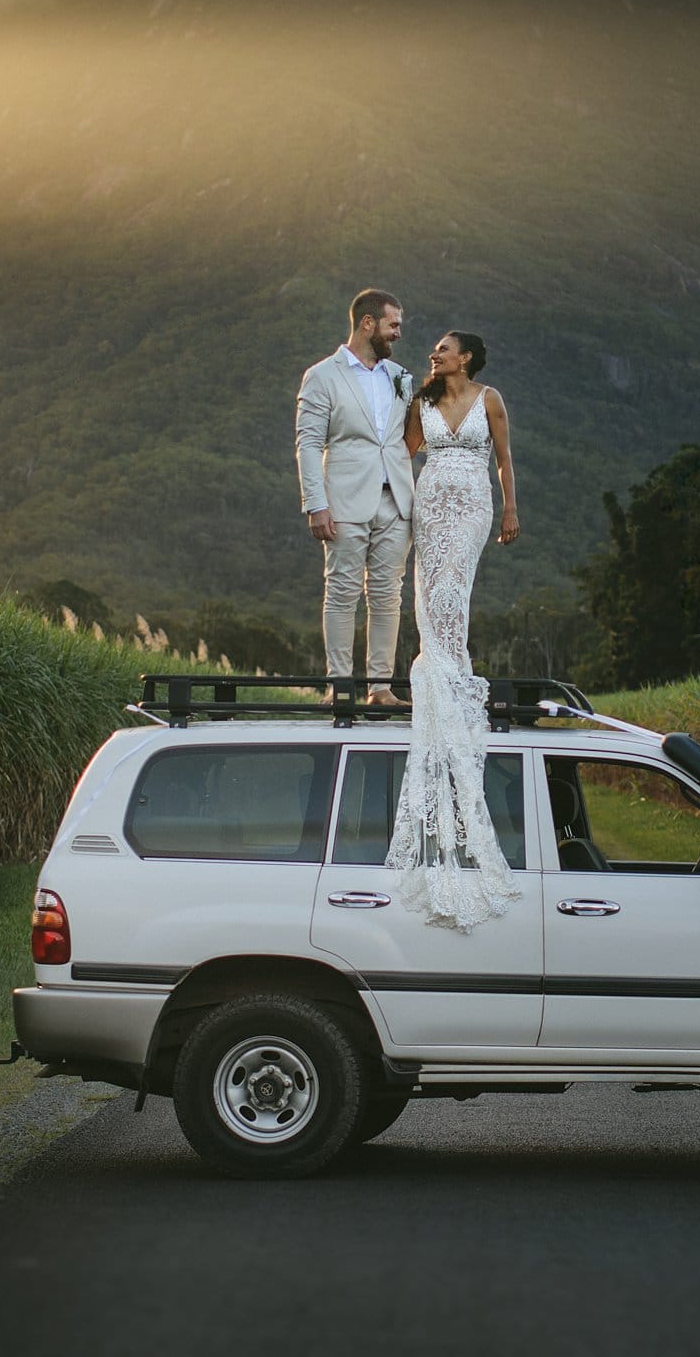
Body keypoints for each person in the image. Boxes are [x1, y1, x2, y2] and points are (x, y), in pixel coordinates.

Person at [387, 328, 524, 929]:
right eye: (434, 350)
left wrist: (511, 508)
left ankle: (450, 682)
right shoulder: (421, 404)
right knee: (427, 601)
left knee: (451, 598)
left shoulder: (490, 398)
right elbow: (405, 452)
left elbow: (503, 458)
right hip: (429, 504)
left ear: (465, 357)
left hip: (471, 508)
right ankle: (442, 688)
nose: (434, 354)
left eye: (444, 348)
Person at [294, 289, 419, 689]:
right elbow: (309, 444)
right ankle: (339, 686)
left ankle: (380, 689)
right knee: (342, 592)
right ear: (369, 324)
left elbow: (407, 437)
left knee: (388, 597)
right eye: (393, 324)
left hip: (397, 502)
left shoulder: (400, 378)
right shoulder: (322, 375)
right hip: (344, 502)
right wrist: (316, 504)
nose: (398, 333)